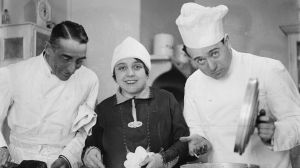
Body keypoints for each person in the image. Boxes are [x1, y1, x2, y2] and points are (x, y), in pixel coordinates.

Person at [175, 2, 300, 168]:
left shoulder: (268, 69)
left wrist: (274, 133)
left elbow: (296, 120)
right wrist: (199, 142)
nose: (211, 66)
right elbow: (197, 129)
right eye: (200, 60)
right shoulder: (193, 83)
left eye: (214, 53)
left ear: (227, 42)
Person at [0, 21, 99, 168]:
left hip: (63, 160)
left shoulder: (90, 80)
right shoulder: (12, 74)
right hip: (19, 160)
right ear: (48, 48)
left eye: (79, 61)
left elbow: (84, 131)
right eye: (66, 58)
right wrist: (1, 147)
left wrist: (68, 158)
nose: (72, 69)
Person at [82, 37, 189, 168]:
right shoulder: (103, 109)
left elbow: (184, 142)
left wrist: (163, 159)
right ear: (114, 74)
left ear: (147, 72)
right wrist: (91, 152)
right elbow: (91, 144)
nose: (130, 73)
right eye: (122, 68)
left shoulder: (166, 100)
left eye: (137, 66)